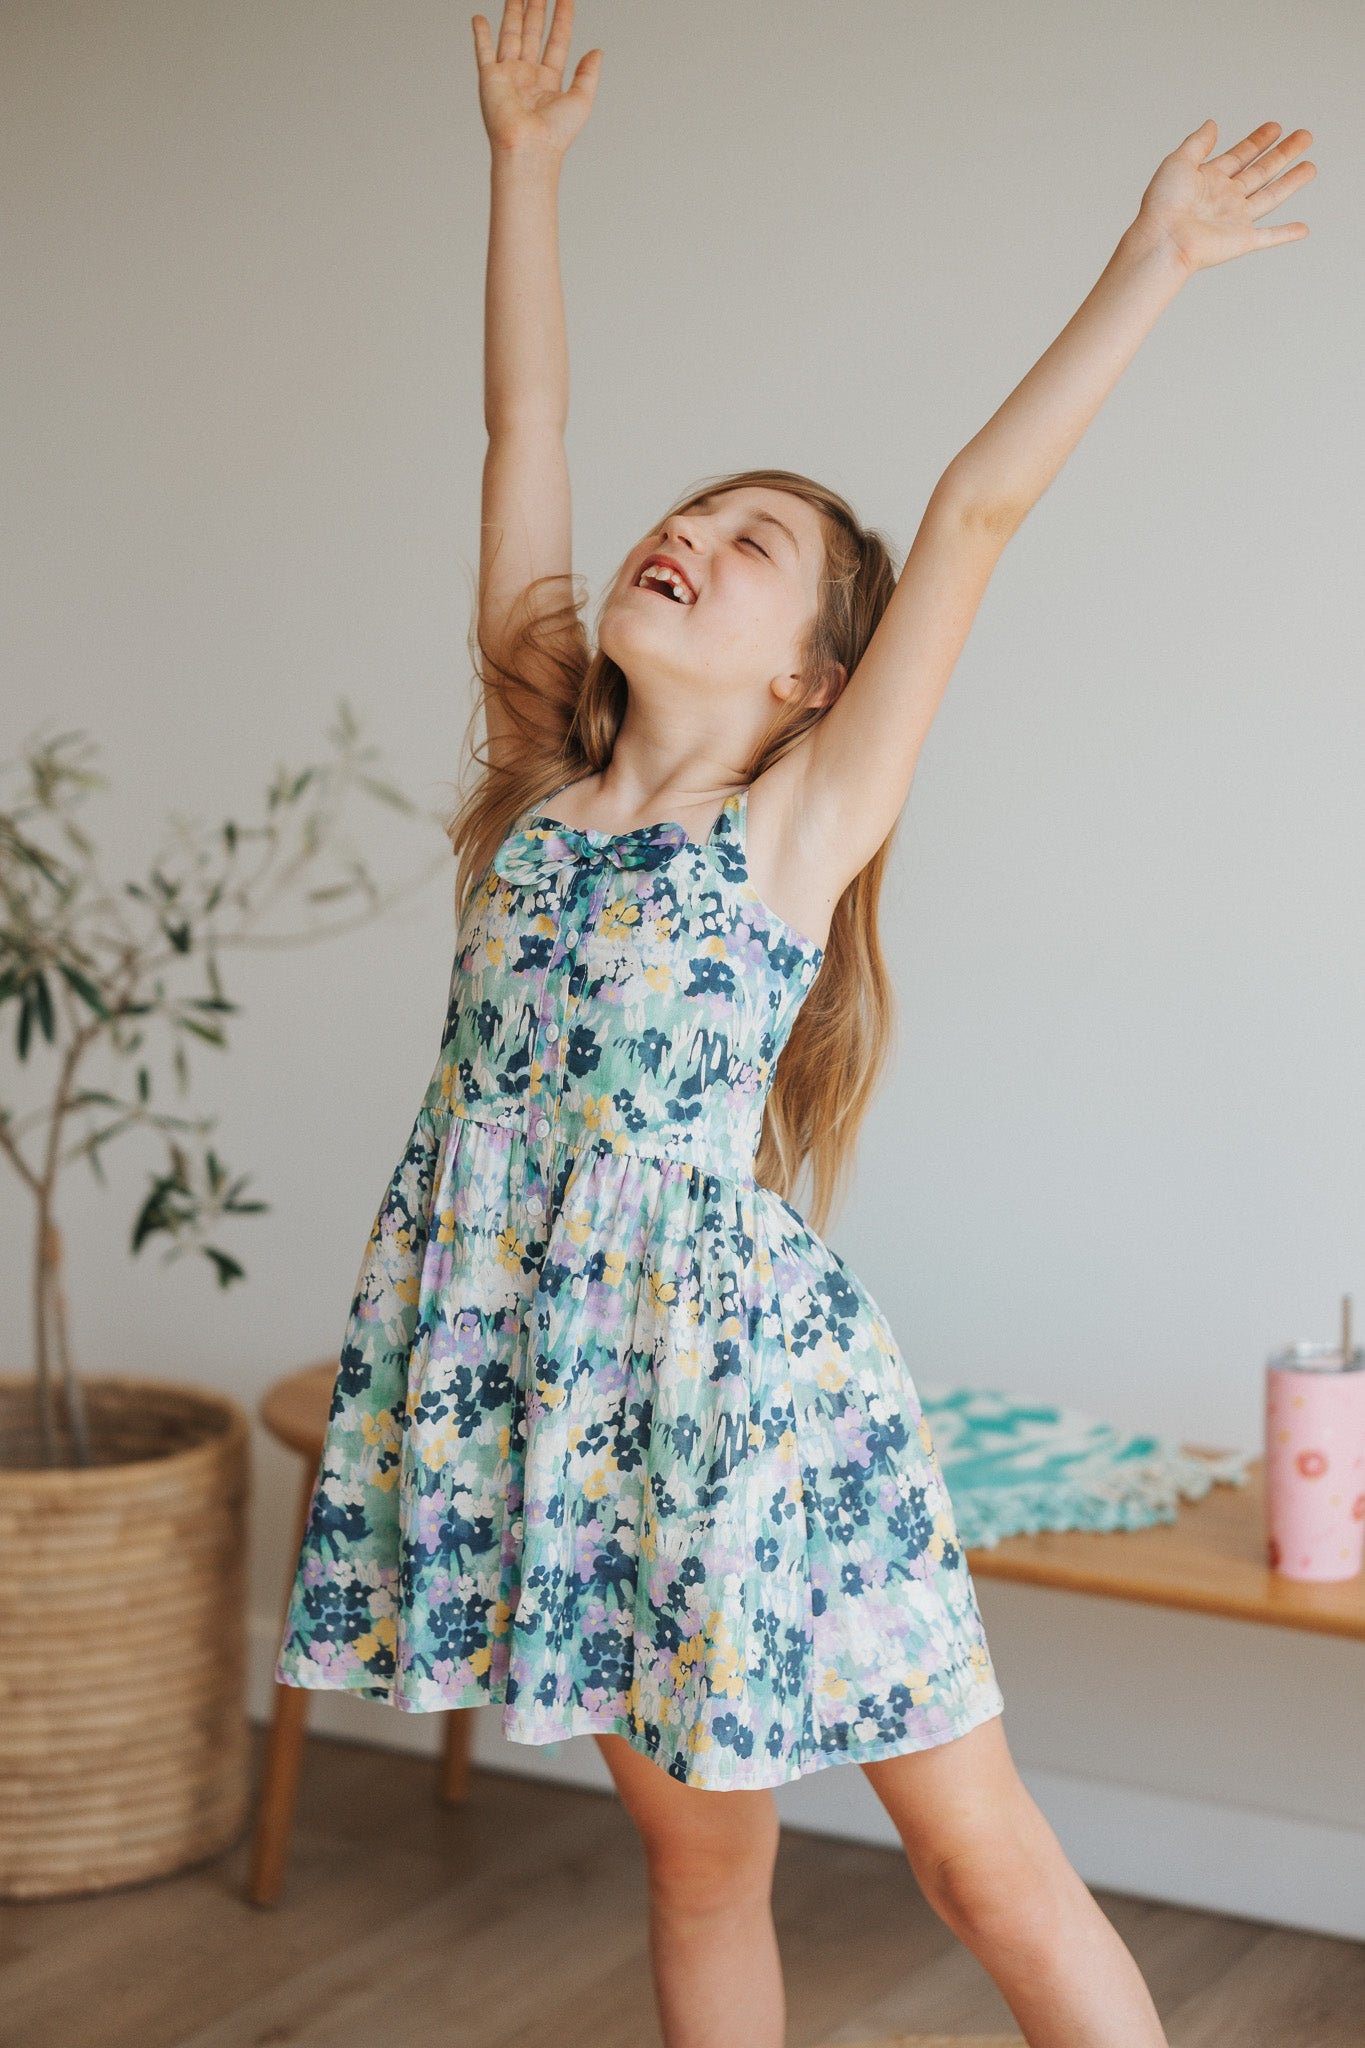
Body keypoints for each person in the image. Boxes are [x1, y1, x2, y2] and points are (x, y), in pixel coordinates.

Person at [274, 6, 1315, 2043]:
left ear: (820, 677)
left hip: (761, 1415)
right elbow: (526, 436)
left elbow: (974, 513)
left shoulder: (793, 832)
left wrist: (1153, 260)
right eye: (692, 518)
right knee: (698, 1857)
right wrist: (525, 169)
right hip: (574, 1403)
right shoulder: (536, 792)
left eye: (754, 548)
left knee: (969, 1851)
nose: (689, 539)